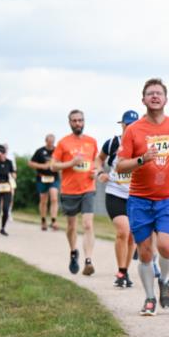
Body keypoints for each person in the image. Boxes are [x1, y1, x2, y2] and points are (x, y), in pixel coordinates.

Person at [115, 78, 169, 316]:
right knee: (146, 251)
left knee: (166, 247)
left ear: (165, 99)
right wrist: (142, 160)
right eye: (150, 93)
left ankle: (165, 280)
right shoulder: (133, 130)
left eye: (158, 93)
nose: (154, 96)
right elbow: (120, 166)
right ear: (143, 99)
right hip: (140, 199)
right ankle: (150, 298)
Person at [95, 110, 139, 288]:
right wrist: (100, 172)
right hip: (115, 193)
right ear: (122, 125)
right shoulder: (113, 143)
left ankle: (125, 272)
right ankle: (121, 271)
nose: (129, 128)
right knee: (123, 230)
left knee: (132, 237)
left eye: (133, 125)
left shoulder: (142, 144)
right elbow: (98, 159)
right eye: (127, 124)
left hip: (135, 195)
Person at [52, 110, 99, 275]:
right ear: (70, 123)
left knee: (87, 224)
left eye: (80, 120)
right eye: (74, 121)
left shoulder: (92, 142)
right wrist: (71, 163)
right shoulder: (63, 143)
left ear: (84, 121)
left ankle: (88, 261)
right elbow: (53, 166)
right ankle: (73, 252)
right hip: (69, 190)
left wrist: (96, 171)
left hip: (88, 188)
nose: (78, 123)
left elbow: (96, 162)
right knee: (71, 226)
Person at [28, 134, 60, 231]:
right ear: (46, 141)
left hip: (54, 178)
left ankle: (54, 220)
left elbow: (62, 162)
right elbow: (30, 163)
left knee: (54, 198)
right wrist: (42, 166)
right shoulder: (40, 151)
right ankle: (43, 220)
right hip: (42, 178)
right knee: (43, 200)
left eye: (52, 142)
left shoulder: (57, 151)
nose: (51, 144)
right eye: (49, 142)